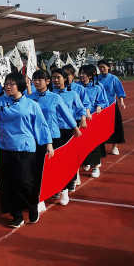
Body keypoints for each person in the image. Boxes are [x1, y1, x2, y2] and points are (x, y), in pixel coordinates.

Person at [0, 73, 53, 228]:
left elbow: (41, 125)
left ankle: (32, 206)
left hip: (25, 148)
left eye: (11, 83)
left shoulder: (31, 104)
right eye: (6, 83)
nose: (7, 86)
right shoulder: (1, 101)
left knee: (25, 182)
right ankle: (16, 214)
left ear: (19, 86)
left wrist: (48, 144)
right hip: (5, 147)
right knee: (8, 183)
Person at [26, 70, 80, 213]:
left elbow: (66, 113)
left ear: (47, 81)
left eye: (40, 80)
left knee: (58, 165)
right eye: (34, 80)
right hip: (35, 138)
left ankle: (63, 190)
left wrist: (75, 127)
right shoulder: (29, 98)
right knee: (37, 168)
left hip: (54, 136)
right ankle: (41, 197)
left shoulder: (55, 97)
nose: (37, 82)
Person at [51, 68, 87, 204]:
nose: (56, 80)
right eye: (53, 77)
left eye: (58, 77)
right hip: (54, 132)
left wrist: (82, 118)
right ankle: (56, 186)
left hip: (68, 131)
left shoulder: (72, 94)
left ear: (65, 79)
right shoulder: (49, 95)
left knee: (68, 159)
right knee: (54, 160)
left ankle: (66, 187)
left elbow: (80, 108)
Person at [78, 64, 109, 177]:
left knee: (93, 143)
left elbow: (103, 101)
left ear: (90, 75)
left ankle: (96, 165)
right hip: (79, 118)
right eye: (80, 73)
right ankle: (86, 162)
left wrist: (99, 107)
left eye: (84, 73)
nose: (81, 75)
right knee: (81, 143)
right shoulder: (76, 87)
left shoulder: (97, 87)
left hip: (92, 118)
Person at [96, 60, 126, 155]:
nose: (102, 69)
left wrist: (121, 102)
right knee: (100, 127)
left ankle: (115, 146)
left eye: (103, 67)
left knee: (114, 125)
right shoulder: (96, 78)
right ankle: (101, 147)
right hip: (100, 107)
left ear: (108, 67)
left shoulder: (113, 78)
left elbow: (119, 91)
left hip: (111, 105)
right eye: (100, 67)